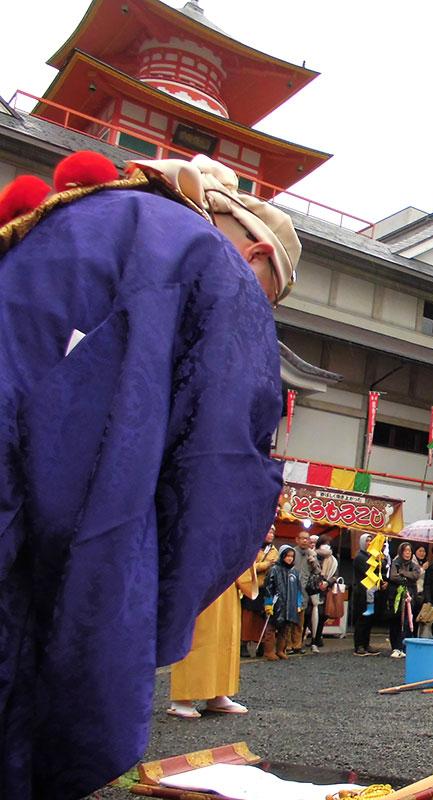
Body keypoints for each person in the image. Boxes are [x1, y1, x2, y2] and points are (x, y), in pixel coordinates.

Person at [0, 151, 295, 799]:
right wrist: (145, 612)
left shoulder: (74, 219)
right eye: (267, 300)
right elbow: (219, 465)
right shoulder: (207, 259)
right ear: (256, 257)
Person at [167, 563, 260, 719]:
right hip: (198, 571)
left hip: (226, 576)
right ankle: (181, 698)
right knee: (197, 635)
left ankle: (218, 693)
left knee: (224, 635)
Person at [241, 527, 280, 658]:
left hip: (266, 587)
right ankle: (243, 643)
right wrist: (266, 565)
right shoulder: (253, 548)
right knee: (248, 617)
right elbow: (249, 567)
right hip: (252, 586)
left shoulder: (275, 551)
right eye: (268, 532)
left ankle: (261, 643)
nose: (271, 535)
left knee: (262, 617)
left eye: (272, 532)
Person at [263, 545, 303, 661]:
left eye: (292, 556)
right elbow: (268, 588)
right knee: (271, 629)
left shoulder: (294, 572)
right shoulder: (274, 570)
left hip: (289, 605)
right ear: (282, 556)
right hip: (276, 604)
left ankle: (280, 650)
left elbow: (298, 589)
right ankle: (269, 651)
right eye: (287, 556)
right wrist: (268, 603)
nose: (290, 558)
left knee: (285, 629)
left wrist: (298, 603)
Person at [388, 542, 421, 658]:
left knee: (408, 622)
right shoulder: (395, 563)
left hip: (409, 596)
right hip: (396, 596)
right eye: (405, 551)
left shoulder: (414, 565)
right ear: (401, 552)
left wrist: (403, 573)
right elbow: (393, 576)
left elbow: (416, 575)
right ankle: (395, 646)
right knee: (396, 621)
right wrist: (406, 577)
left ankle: (404, 647)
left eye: (409, 551)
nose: (408, 553)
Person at [352, 534, 382, 656]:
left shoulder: (372, 556)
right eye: (367, 541)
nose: (369, 543)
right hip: (362, 592)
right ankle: (359, 645)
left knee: (369, 620)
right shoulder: (360, 557)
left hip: (371, 592)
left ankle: (366, 643)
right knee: (362, 620)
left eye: (371, 540)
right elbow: (369, 573)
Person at [291, 535, 319, 654]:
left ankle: (297, 645)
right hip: (291, 590)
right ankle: (287, 645)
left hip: (303, 592)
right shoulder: (292, 552)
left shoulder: (312, 554)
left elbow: (318, 572)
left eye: (307, 539)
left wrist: (313, 563)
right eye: (302, 538)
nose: (305, 540)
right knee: (289, 620)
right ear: (297, 539)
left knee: (300, 621)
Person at [311, 541, 338, 652]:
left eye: (328, 545)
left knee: (322, 615)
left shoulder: (333, 560)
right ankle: (310, 638)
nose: (327, 547)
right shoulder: (312, 556)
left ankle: (317, 638)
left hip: (325, 591)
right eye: (324, 544)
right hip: (312, 589)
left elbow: (335, 575)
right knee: (309, 614)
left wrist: (328, 582)